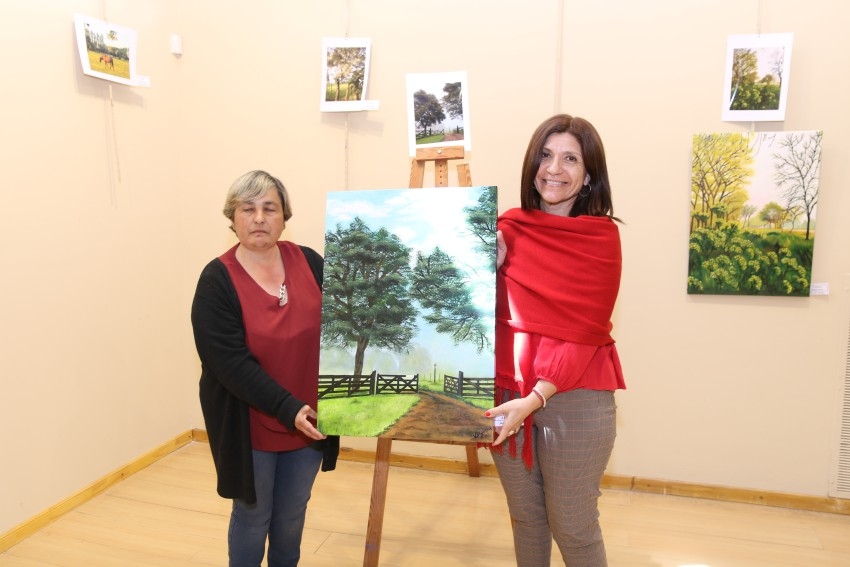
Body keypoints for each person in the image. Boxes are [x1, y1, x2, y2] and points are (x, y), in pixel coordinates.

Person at [485, 114, 626, 567]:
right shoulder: (505, 229)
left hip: (575, 396)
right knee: (526, 519)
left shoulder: (601, 237)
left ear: (588, 175)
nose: (554, 169)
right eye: (546, 155)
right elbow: (475, 317)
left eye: (570, 158)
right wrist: (484, 267)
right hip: (506, 395)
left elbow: (586, 333)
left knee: (573, 524)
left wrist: (536, 397)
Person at [191, 170, 339, 567]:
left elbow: (345, 329)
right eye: (248, 208)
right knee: (253, 517)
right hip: (251, 424)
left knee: (291, 517)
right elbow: (229, 365)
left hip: (311, 422)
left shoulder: (309, 261)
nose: (259, 218)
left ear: (284, 217)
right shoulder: (216, 280)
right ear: (233, 218)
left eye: (269, 208)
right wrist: (289, 408)